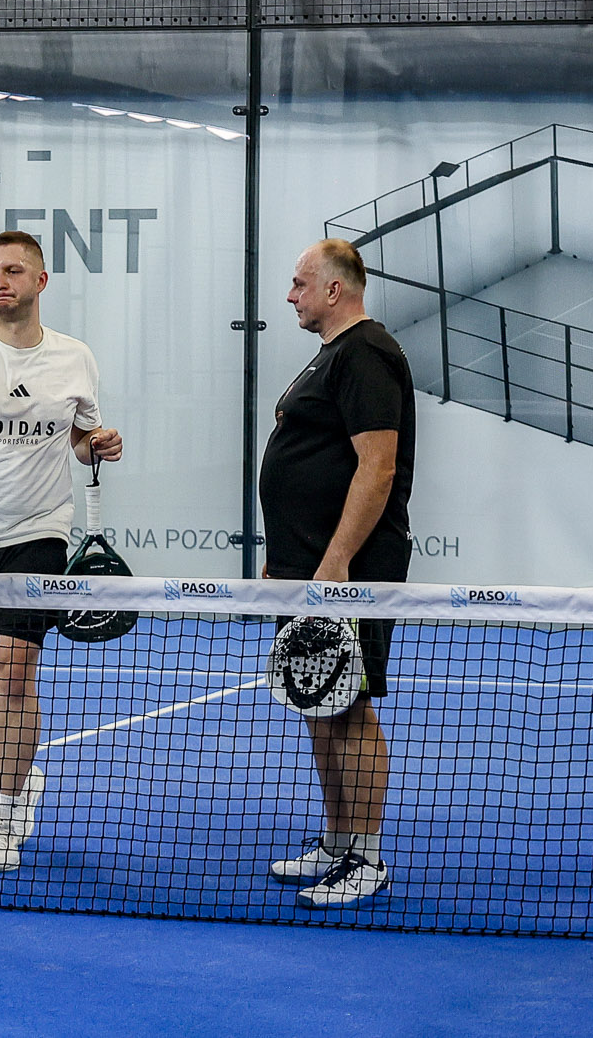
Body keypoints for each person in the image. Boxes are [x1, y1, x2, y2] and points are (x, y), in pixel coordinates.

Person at [0, 230, 122, 873]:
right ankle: (21, 770)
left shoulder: (75, 358)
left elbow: (79, 438)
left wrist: (98, 445)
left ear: (42, 281)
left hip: (37, 533)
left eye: (13, 271)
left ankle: (6, 808)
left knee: (14, 675)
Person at [259, 238, 415, 909]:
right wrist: (289, 557)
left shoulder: (367, 353)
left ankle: (367, 856)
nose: (291, 295)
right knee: (319, 701)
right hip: (309, 568)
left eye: (299, 284)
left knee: (348, 705)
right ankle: (336, 840)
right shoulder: (332, 356)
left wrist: (335, 560)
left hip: (345, 570)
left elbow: (376, 464)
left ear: (334, 290)